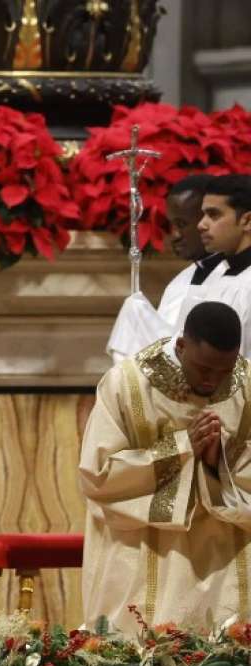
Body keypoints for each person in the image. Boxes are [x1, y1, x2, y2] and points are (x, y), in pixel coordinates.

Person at [80, 300, 251, 635]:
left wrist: (219, 461)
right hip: (145, 551)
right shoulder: (126, 385)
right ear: (182, 345)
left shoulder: (246, 386)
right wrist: (182, 447)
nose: (213, 382)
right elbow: (98, 473)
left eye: (224, 371)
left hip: (223, 554)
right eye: (204, 369)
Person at [108, 174, 251, 361]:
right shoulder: (211, 279)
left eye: (213, 215)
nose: (202, 225)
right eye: (203, 214)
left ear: (247, 221)